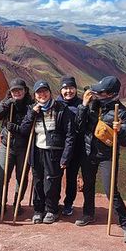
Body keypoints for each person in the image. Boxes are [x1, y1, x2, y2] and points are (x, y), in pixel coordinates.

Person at [74, 76, 126, 243]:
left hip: (107, 156)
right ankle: (89, 214)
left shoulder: (121, 112)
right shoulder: (92, 106)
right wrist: (83, 106)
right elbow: (78, 126)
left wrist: (120, 131)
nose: (96, 94)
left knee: (111, 191)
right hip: (88, 153)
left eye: (100, 92)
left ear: (111, 94)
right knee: (88, 185)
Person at [19, 80, 75, 224]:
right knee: (37, 181)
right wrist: (32, 113)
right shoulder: (32, 108)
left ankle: (52, 209)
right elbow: (24, 130)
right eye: (39, 92)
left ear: (50, 92)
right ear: (35, 95)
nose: (42, 94)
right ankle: (38, 210)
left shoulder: (61, 109)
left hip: (54, 152)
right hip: (36, 151)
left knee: (51, 182)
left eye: (45, 91)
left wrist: (65, 157)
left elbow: (70, 134)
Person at [0, 78, 33, 217]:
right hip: (7, 145)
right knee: (1, 177)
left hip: (24, 147)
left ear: (25, 90)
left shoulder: (31, 105)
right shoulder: (7, 103)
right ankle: (1, 203)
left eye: (19, 89)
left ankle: (17, 203)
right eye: (14, 90)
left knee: (21, 177)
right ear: (10, 92)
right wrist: (7, 103)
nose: (17, 92)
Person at [56, 76, 85, 216]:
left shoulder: (81, 104)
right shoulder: (55, 104)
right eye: (65, 88)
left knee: (71, 178)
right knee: (55, 176)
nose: (68, 91)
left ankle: (68, 204)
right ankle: (54, 201)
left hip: (76, 148)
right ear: (61, 90)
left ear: (75, 89)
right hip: (57, 148)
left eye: (71, 88)